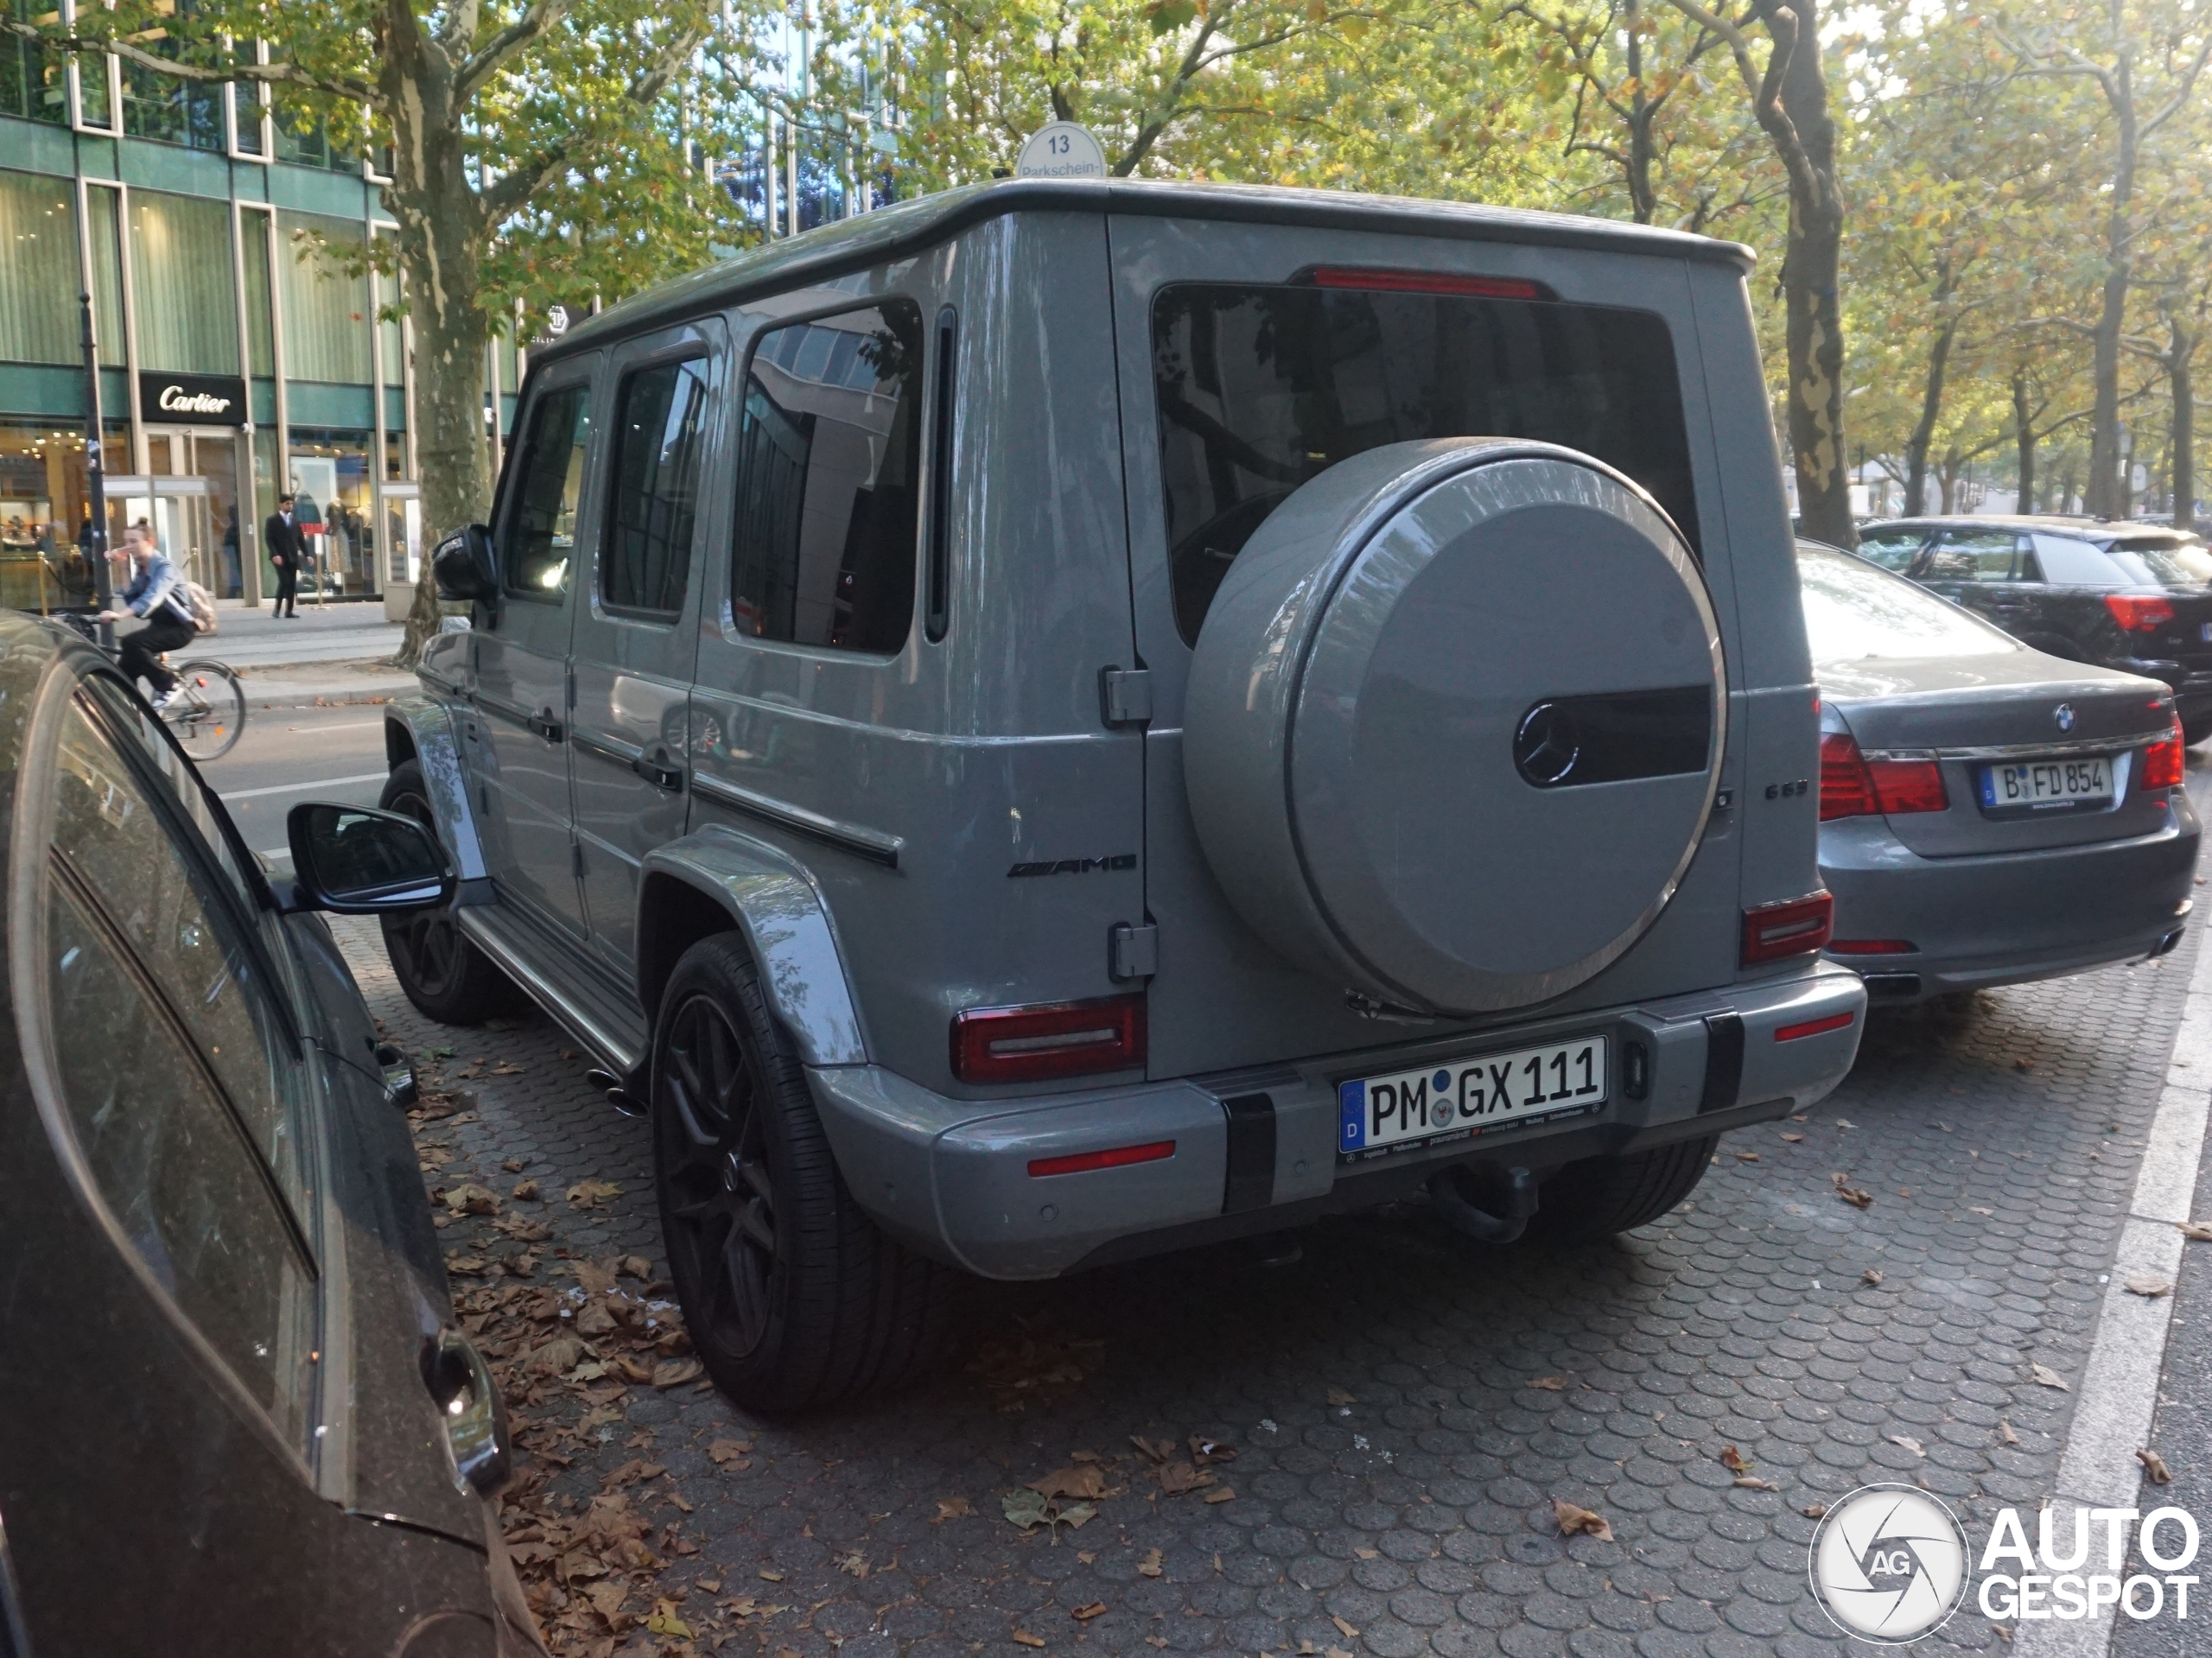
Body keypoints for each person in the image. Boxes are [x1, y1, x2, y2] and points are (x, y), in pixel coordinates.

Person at [97, 525, 196, 710]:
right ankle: (131, 718)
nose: (128, 546)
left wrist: (118, 616)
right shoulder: (142, 569)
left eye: (133, 541)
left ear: (149, 542)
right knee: (124, 677)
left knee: (132, 643)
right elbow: (132, 598)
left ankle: (168, 686)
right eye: (126, 542)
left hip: (180, 628)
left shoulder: (165, 568)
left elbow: (150, 599)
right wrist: (123, 566)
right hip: (159, 626)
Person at [265, 492, 303, 617]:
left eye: (292, 503)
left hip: (292, 556)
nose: (290, 506)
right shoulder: (272, 520)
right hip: (279, 557)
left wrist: (307, 554)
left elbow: (300, 539)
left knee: (291, 583)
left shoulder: (295, 521)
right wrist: (275, 554)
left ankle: (289, 610)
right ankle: (277, 608)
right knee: (284, 581)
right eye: (287, 504)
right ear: (281, 505)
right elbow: (269, 539)